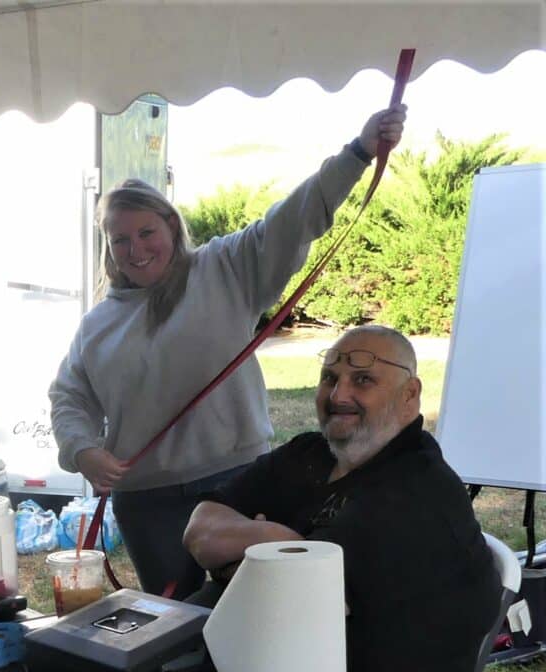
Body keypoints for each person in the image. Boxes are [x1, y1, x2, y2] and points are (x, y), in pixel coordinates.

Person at [49, 105, 407, 600]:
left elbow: (293, 217)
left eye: (146, 232)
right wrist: (82, 449)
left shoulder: (225, 269)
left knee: (250, 611)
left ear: (171, 226)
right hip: (147, 502)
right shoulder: (97, 323)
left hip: (235, 484)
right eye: (120, 240)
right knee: (172, 623)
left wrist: (359, 152)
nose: (135, 249)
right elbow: (69, 396)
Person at [182, 325, 501, 672]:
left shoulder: (416, 487)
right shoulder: (308, 454)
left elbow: (292, 600)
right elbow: (201, 532)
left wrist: (251, 552)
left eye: (363, 381)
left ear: (410, 395)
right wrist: (282, 541)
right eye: (330, 378)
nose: (339, 394)